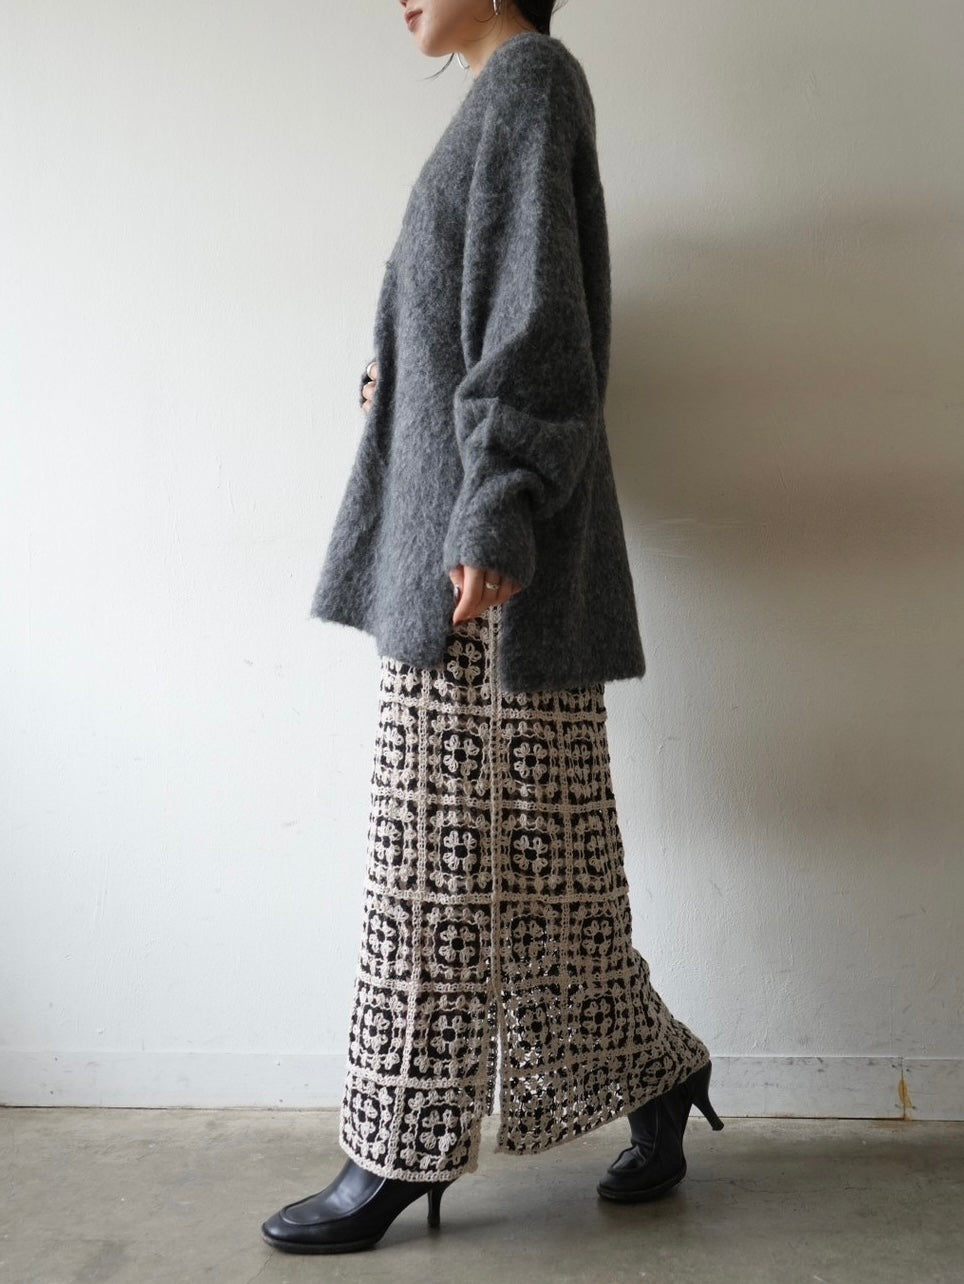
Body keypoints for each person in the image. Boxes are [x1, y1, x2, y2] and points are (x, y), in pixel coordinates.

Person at [261, 0, 723, 1256]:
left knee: (437, 870)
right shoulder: (498, 100)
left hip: (480, 579)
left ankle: (394, 1143)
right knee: (547, 873)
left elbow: (537, 328)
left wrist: (496, 509)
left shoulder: (529, 84)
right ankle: (657, 1069)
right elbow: (469, 314)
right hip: (471, 565)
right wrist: (394, 367)